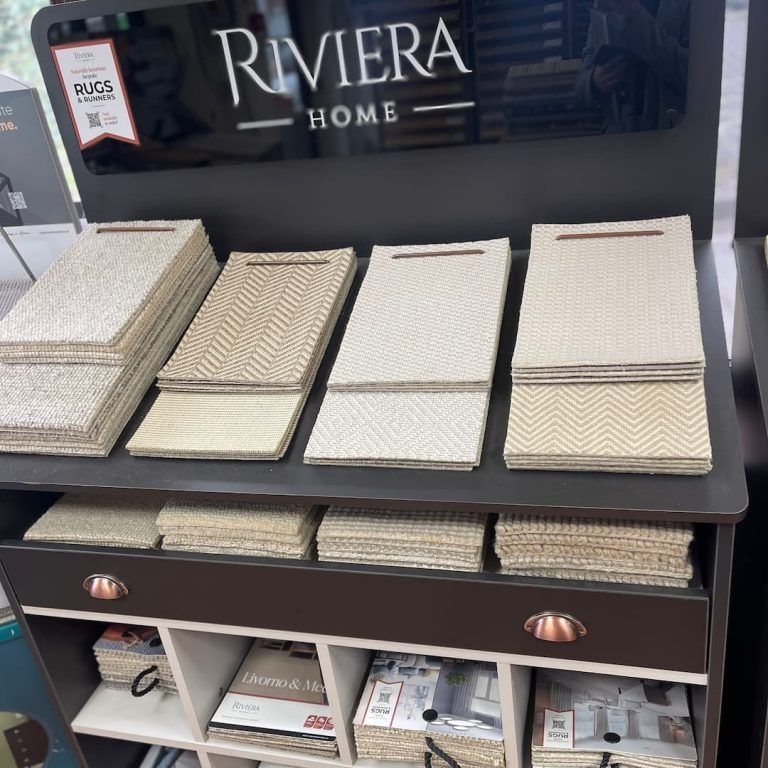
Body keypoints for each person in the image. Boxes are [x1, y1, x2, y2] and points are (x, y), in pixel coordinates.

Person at [578, 0, 690, 132]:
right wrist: (594, 81)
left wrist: (636, 19)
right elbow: (581, 86)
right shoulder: (605, 6)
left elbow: (700, 76)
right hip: (619, 139)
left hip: (674, 136)